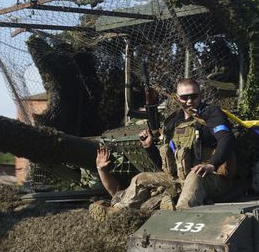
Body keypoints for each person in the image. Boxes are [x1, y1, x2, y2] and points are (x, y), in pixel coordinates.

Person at [98, 77, 236, 210]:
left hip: (210, 177)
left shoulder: (211, 113)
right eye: (184, 97)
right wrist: (149, 147)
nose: (189, 101)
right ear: (177, 97)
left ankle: (181, 212)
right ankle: (119, 212)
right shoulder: (172, 122)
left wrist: (212, 164)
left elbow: (226, 138)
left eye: (194, 96)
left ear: (200, 95)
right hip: (177, 178)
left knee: (195, 176)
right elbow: (165, 164)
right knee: (141, 179)